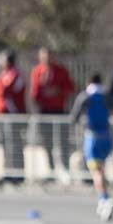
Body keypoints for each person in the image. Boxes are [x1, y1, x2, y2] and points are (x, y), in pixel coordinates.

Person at [70, 74, 113, 221]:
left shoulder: (86, 96)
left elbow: (74, 116)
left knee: (96, 171)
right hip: (107, 136)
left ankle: (105, 199)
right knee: (101, 169)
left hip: (92, 138)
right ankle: (102, 198)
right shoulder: (107, 96)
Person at [30, 47, 76, 178]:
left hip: (59, 110)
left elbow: (70, 88)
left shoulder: (61, 71)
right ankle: (51, 168)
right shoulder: (37, 71)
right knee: (47, 141)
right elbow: (34, 92)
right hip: (44, 111)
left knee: (63, 140)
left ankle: (65, 168)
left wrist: (58, 91)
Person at [0, 50, 26, 186]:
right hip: (3, 115)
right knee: (6, 144)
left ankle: (18, 174)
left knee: (14, 144)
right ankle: (8, 171)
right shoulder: (3, 75)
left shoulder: (14, 74)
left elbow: (3, 90)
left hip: (13, 115)